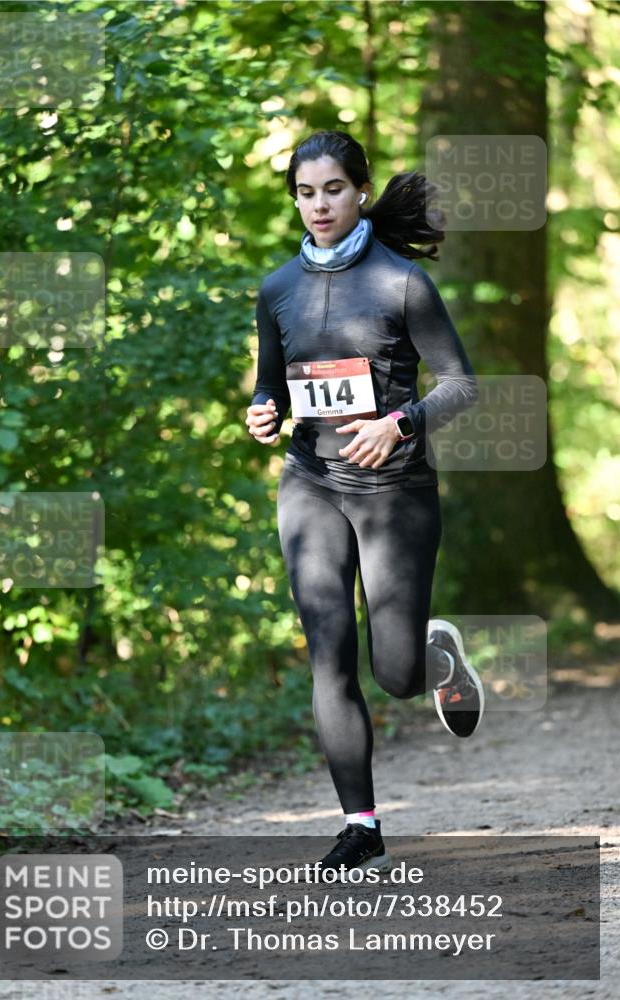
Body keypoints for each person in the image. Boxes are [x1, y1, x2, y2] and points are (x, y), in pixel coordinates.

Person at [246, 130, 485, 877]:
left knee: (395, 675)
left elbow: (460, 384)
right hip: (310, 481)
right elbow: (271, 383)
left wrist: (398, 422)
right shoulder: (277, 288)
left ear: (358, 191)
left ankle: (433, 652)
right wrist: (261, 409)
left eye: (332, 190)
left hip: (394, 491)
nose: (318, 205)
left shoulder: (400, 283)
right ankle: (361, 826)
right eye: (305, 192)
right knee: (327, 653)